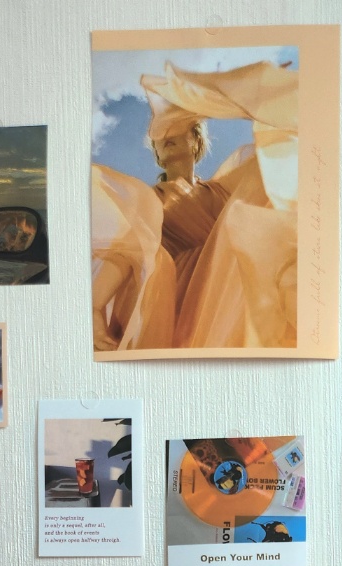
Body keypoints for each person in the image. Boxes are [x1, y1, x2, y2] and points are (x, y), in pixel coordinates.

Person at [91, 59, 300, 353]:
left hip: (228, 295)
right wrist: (95, 307)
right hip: (179, 303)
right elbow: (127, 250)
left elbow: (276, 157)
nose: (166, 136)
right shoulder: (149, 201)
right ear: (157, 155)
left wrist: (263, 90)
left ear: (196, 141)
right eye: (159, 139)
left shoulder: (223, 190)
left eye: (179, 130)